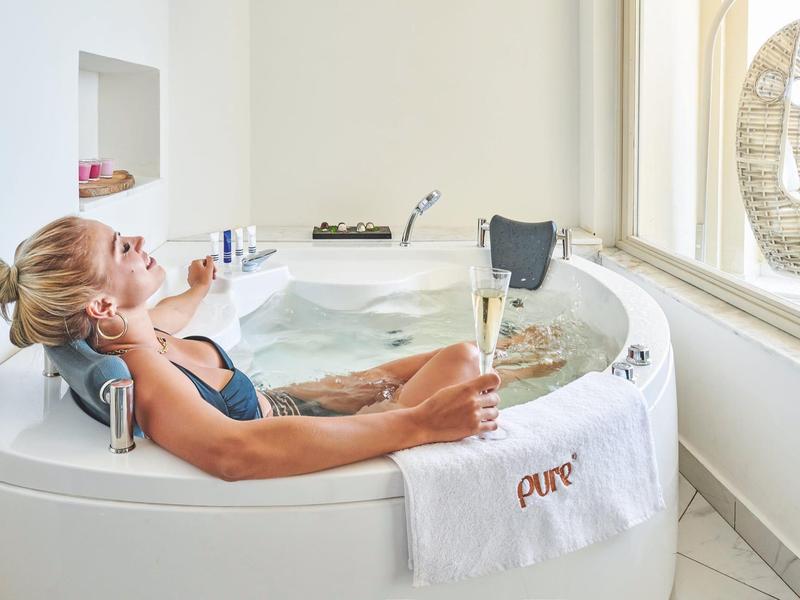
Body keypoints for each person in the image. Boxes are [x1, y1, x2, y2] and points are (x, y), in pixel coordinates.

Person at [0, 216, 560, 482]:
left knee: (454, 351)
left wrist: (197, 288)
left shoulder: (141, 329)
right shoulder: (145, 373)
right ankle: (526, 363)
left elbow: (171, 314)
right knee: (462, 360)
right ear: (100, 307)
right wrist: (419, 424)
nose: (141, 241)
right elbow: (231, 452)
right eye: (123, 247)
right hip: (290, 425)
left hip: (286, 399)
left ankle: (517, 353)